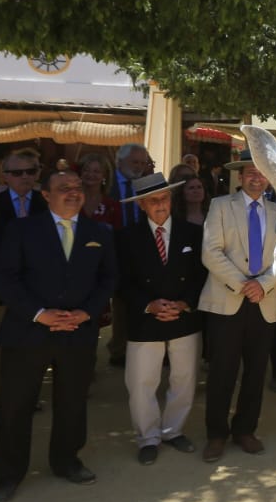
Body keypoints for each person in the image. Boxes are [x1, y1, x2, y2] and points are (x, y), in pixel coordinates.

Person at [0, 166, 117, 502]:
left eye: (77, 186)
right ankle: (8, 475)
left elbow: (108, 279)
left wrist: (86, 312)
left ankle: (67, 461)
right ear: (45, 195)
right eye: (63, 187)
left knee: (72, 403)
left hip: (78, 332)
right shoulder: (21, 230)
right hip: (27, 332)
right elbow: (5, 278)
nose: (73, 191)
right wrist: (39, 314)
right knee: (16, 406)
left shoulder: (98, 231)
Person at [197, 156, 276, 461]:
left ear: (269, 180)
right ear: (240, 177)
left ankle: (245, 430)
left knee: (256, 371)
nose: (256, 178)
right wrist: (243, 284)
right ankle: (216, 434)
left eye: (261, 174)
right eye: (250, 173)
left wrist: (264, 285)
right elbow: (210, 252)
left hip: (265, 302)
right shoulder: (221, 206)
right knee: (222, 371)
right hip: (226, 301)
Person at [116, 172, 205, 465]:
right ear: (142, 205)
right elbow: (121, 282)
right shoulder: (127, 236)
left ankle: (172, 430)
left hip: (183, 318)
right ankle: (148, 437)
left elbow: (201, 276)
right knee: (142, 381)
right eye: (152, 200)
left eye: (164, 198)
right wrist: (148, 305)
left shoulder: (191, 233)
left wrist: (183, 304)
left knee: (184, 378)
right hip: (145, 320)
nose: (160, 205)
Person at [0, 150, 48, 415]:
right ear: (5, 176)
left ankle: (28, 399)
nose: (25, 177)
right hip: (1, 291)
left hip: (39, 292)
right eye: (17, 172)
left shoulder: (47, 204)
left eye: (31, 171)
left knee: (34, 349)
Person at [107, 143, 156, 367]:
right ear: (120, 162)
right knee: (118, 302)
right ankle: (118, 350)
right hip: (112, 250)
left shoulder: (145, 183)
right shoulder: (105, 182)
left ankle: (134, 346)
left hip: (140, 250)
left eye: (142, 162)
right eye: (134, 162)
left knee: (137, 298)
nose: (138, 167)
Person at [77, 152, 123, 230]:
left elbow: (118, 236)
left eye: (96, 171)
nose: (90, 174)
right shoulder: (71, 201)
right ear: (80, 173)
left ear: (104, 176)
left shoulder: (112, 206)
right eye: (86, 170)